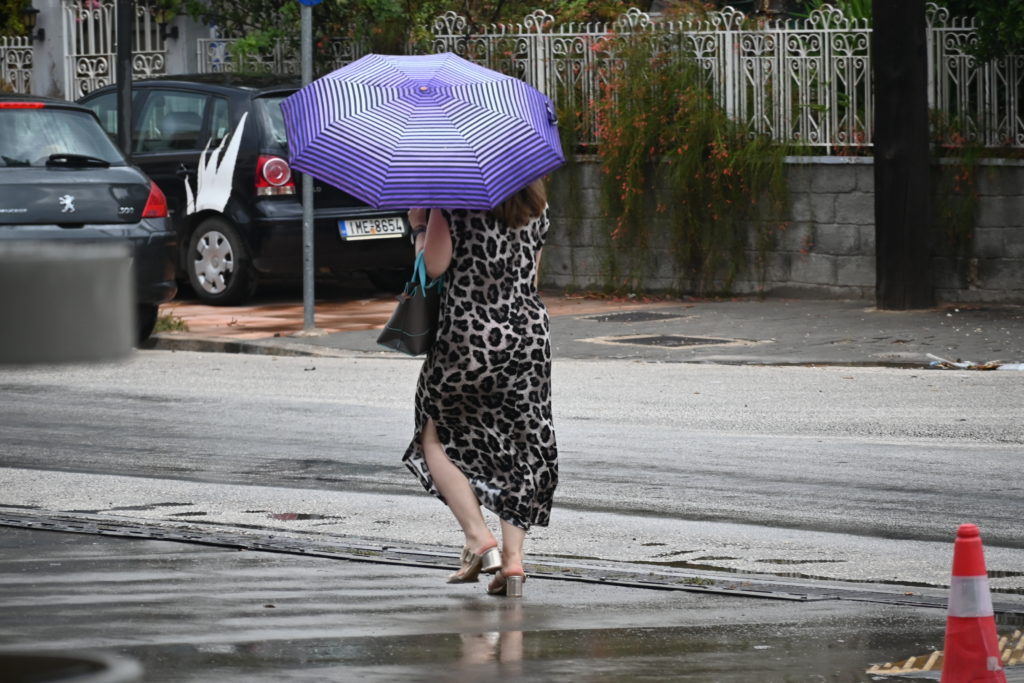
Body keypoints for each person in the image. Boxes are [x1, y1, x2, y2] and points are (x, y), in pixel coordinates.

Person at [403, 178, 558, 598]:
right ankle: (513, 563)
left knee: (432, 431)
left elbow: (433, 267)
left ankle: (478, 537)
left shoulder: (451, 202)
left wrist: (421, 226)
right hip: (528, 336)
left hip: (469, 336)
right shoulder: (538, 205)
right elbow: (532, 275)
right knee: (520, 444)